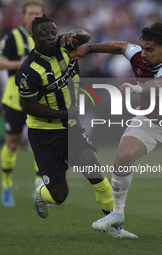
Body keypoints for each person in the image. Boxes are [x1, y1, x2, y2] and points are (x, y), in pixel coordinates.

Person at [69, 22, 162, 239]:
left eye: (149, 49)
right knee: (122, 157)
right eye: (142, 47)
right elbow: (121, 46)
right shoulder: (139, 55)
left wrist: (137, 87)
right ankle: (117, 215)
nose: (143, 53)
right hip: (148, 119)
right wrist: (88, 49)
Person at [15, 14, 136, 238]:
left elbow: (86, 36)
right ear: (34, 38)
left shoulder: (65, 44)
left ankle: (115, 229)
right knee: (59, 196)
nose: (51, 37)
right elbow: (29, 106)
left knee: (97, 176)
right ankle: (41, 190)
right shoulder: (28, 71)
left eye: (53, 32)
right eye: (44, 34)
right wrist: (64, 112)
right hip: (44, 135)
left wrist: (78, 34)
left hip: (72, 128)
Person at [0, 0, 44, 207]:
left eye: (37, 13)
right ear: (23, 16)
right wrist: (20, 63)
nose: (33, 17)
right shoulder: (13, 37)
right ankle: (6, 186)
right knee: (12, 143)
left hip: (39, 99)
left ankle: (39, 189)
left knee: (39, 144)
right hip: (15, 99)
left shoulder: (46, 38)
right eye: (30, 13)